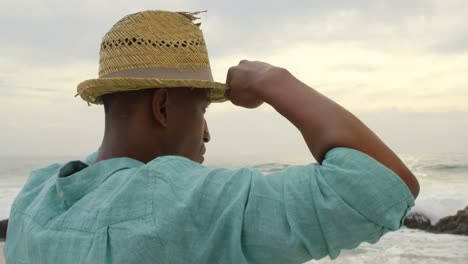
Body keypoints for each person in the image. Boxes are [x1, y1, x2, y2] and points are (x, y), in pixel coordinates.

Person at [4, 10, 419, 263]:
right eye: (202, 109)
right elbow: (383, 184)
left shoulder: (36, 198)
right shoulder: (181, 201)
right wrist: (274, 80)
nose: (206, 133)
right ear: (162, 107)